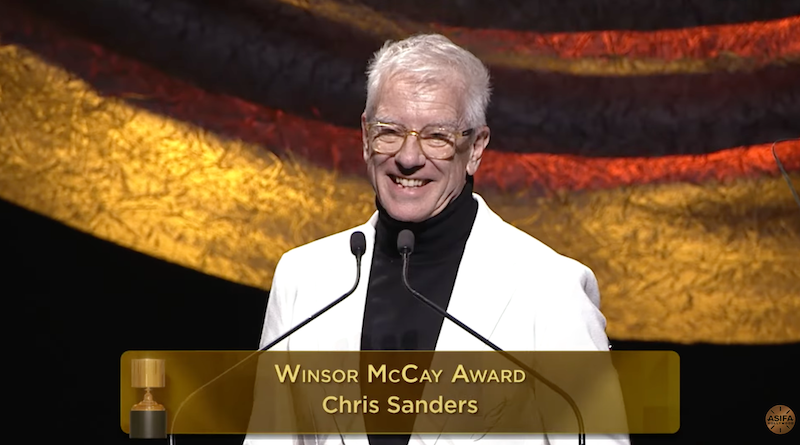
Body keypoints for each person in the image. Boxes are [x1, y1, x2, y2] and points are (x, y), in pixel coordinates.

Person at [244, 34, 629, 445]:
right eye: (389, 131)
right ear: (364, 135)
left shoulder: (550, 288)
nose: (409, 157)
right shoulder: (304, 277)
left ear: (476, 148)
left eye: (437, 137)